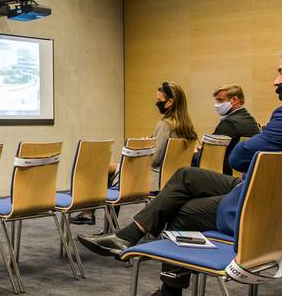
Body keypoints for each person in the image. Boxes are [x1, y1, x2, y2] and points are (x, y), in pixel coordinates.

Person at [78, 42, 282, 296]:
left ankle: (168, 292)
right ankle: (129, 236)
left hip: (270, 214)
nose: (277, 81)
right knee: (186, 175)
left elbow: (238, 159)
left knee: (183, 211)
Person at [71, 81, 198, 225]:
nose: (157, 104)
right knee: (111, 169)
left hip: (153, 179)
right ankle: (93, 215)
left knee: (105, 168)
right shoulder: (187, 128)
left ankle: (92, 214)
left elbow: (154, 161)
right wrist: (150, 143)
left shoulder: (165, 125)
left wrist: (143, 149)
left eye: (159, 100)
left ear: (170, 102)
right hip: (171, 178)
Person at [205, 84, 261, 174]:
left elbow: (212, 153)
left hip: (228, 172)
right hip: (247, 171)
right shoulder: (249, 119)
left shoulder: (229, 123)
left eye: (220, 100)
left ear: (234, 100)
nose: (216, 105)